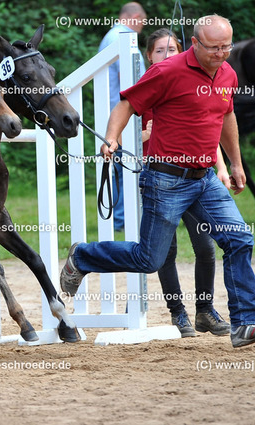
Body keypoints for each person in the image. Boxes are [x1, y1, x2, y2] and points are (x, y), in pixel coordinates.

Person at [61, 15, 255, 348]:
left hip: (205, 178)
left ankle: (245, 323)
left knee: (239, 239)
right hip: (165, 179)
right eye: (214, 48)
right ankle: (82, 257)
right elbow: (127, 104)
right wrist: (111, 138)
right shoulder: (167, 71)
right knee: (148, 259)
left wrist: (235, 164)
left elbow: (226, 115)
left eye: (226, 46)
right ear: (195, 43)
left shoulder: (228, 73)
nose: (222, 53)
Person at [143, 28, 231, 337]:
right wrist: (147, 134)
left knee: (205, 246)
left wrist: (222, 167)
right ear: (147, 56)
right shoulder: (150, 85)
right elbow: (126, 131)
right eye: (159, 51)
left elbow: (210, 132)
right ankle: (178, 313)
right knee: (165, 252)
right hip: (161, 179)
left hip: (197, 178)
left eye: (173, 50)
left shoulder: (195, 82)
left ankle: (205, 310)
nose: (167, 56)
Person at [98, 2, 147, 232]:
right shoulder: (123, 37)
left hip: (114, 111)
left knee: (119, 167)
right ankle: (121, 220)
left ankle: (120, 219)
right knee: (124, 167)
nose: (142, 29)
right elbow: (130, 79)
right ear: (136, 17)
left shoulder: (111, 36)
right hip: (123, 114)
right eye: (143, 23)